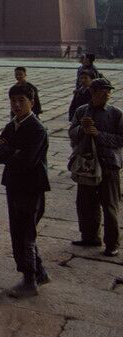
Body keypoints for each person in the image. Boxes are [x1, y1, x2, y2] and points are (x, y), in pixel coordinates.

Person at [0, 84, 50, 297]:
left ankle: (29, 280)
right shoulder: (13, 125)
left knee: (24, 232)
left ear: (32, 103)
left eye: (21, 101)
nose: (16, 105)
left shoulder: (36, 129)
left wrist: (9, 151)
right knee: (22, 230)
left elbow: (26, 160)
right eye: (13, 100)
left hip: (30, 187)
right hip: (15, 185)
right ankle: (40, 272)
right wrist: (11, 151)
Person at [68, 78, 122, 256]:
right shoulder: (81, 111)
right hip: (86, 165)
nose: (106, 94)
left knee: (110, 205)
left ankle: (112, 243)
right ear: (92, 93)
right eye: (102, 91)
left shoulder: (116, 113)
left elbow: (120, 140)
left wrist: (99, 135)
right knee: (85, 203)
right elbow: (72, 135)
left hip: (109, 165)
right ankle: (90, 236)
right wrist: (82, 130)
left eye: (108, 91)